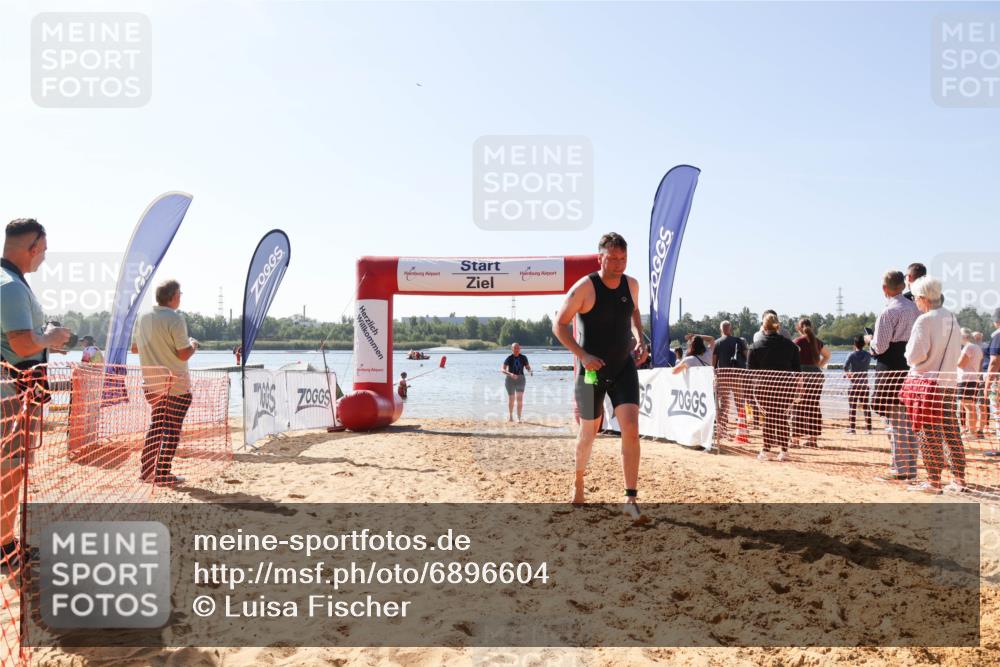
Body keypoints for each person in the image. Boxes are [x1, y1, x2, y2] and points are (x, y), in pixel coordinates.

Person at [552, 232, 649, 521]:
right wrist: (583, 355)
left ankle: (630, 498)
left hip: (622, 368)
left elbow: (634, 311)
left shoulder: (631, 284)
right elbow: (559, 325)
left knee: (630, 427)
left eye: (623, 258)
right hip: (591, 372)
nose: (619, 264)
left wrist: (639, 337)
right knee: (588, 432)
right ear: (600, 258)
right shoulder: (584, 287)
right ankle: (579, 481)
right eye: (613, 258)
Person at [1, 219, 71, 570]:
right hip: (10, 392)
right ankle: (4, 547)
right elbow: (23, 343)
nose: (44, 257)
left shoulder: (11, 282)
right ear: (33, 247)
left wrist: (45, 343)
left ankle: (6, 543)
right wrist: (50, 338)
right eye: (44, 250)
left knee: (11, 468)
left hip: (13, 387)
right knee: (10, 469)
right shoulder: (11, 287)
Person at [131, 280, 198, 486]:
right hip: (176, 385)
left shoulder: (142, 317)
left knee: (157, 426)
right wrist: (194, 345)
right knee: (172, 430)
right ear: (174, 296)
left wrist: (155, 349)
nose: (181, 297)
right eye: (180, 293)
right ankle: (162, 473)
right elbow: (183, 353)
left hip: (152, 384)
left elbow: (134, 349)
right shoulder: (175, 319)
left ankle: (147, 471)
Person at [903, 276, 964, 494]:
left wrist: (908, 354)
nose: (916, 303)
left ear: (923, 298)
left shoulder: (925, 320)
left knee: (927, 433)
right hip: (949, 382)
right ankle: (959, 479)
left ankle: (933, 481)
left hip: (927, 385)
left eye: (916, 299)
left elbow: (915, 356)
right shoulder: (952, 317)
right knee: (951, 430)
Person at [870, 270, 921, 482]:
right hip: (911, 369)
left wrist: (869, 341)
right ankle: (910, 467)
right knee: (910, 421)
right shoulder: (916, 309)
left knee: (895, 422)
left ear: (885, 289)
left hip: (890, 370)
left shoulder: (888, 312)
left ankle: (900, 469)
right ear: (903, 284)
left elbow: (880, 347)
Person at [747, 313, 801, 461]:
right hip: (786, 386)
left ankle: (766, 450)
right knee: (782, 417)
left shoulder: (755, 346)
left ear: (763, 326)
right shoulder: (790, 345)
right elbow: (797, 371)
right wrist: (799, 389)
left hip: (764, 387)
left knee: (769, 417)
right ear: (778, 326)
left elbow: (751, 371)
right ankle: (784, 451)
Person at [791, 317, 830, 448]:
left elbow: (792, 361)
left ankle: (795, 440)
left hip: (802, 377)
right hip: (817, 376)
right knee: (814, 406)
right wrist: (818, 365)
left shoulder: (797, 342)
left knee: (798, 407)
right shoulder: (817, 341)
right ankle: (813, 440)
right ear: (811, 327)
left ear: (798, 328)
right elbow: (827, 355)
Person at [713, 321, 748, 442]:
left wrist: (714, 374)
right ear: (730, 329)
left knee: (724, 403)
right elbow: (745, 355)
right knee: (740, 402)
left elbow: (714, 361)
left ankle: (723, 429)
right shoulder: (739, 341)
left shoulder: (717, 342)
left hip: (723, 375)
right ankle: (744, 428)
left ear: (721, 329)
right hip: (737, 374)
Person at [957, 328, 984, 438]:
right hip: (972, 379)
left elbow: (961, 364)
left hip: (966, 380)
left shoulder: (968, 347)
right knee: (970, 406)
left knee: (968, 407)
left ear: (964, 337)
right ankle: (970, 430)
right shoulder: (977, 347)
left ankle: (971, 432)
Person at [843, 334, 872, 434]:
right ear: (864, 344)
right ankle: (868, 429)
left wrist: (849, 375)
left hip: (854, 385)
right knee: (866, 406)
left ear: (854, 344)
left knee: (852, 406)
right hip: (864, 384)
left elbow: (845, 367)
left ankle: (852, 428)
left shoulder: (851, 355)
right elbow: (873, 352)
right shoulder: (868, 355)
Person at [501, 342, 532, 422]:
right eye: (515, 348)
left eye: (518, 348)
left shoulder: (523, 357)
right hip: (510, 379)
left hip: (521, 379)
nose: (517, 350)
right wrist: (510, 374)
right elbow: (502, 369)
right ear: (512, 349)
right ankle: (511, 417)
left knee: (519, 398)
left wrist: (530, 370)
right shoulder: (509, 358)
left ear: (520, 349)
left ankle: (519, 418)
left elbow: (527, 367)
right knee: (511, 399)